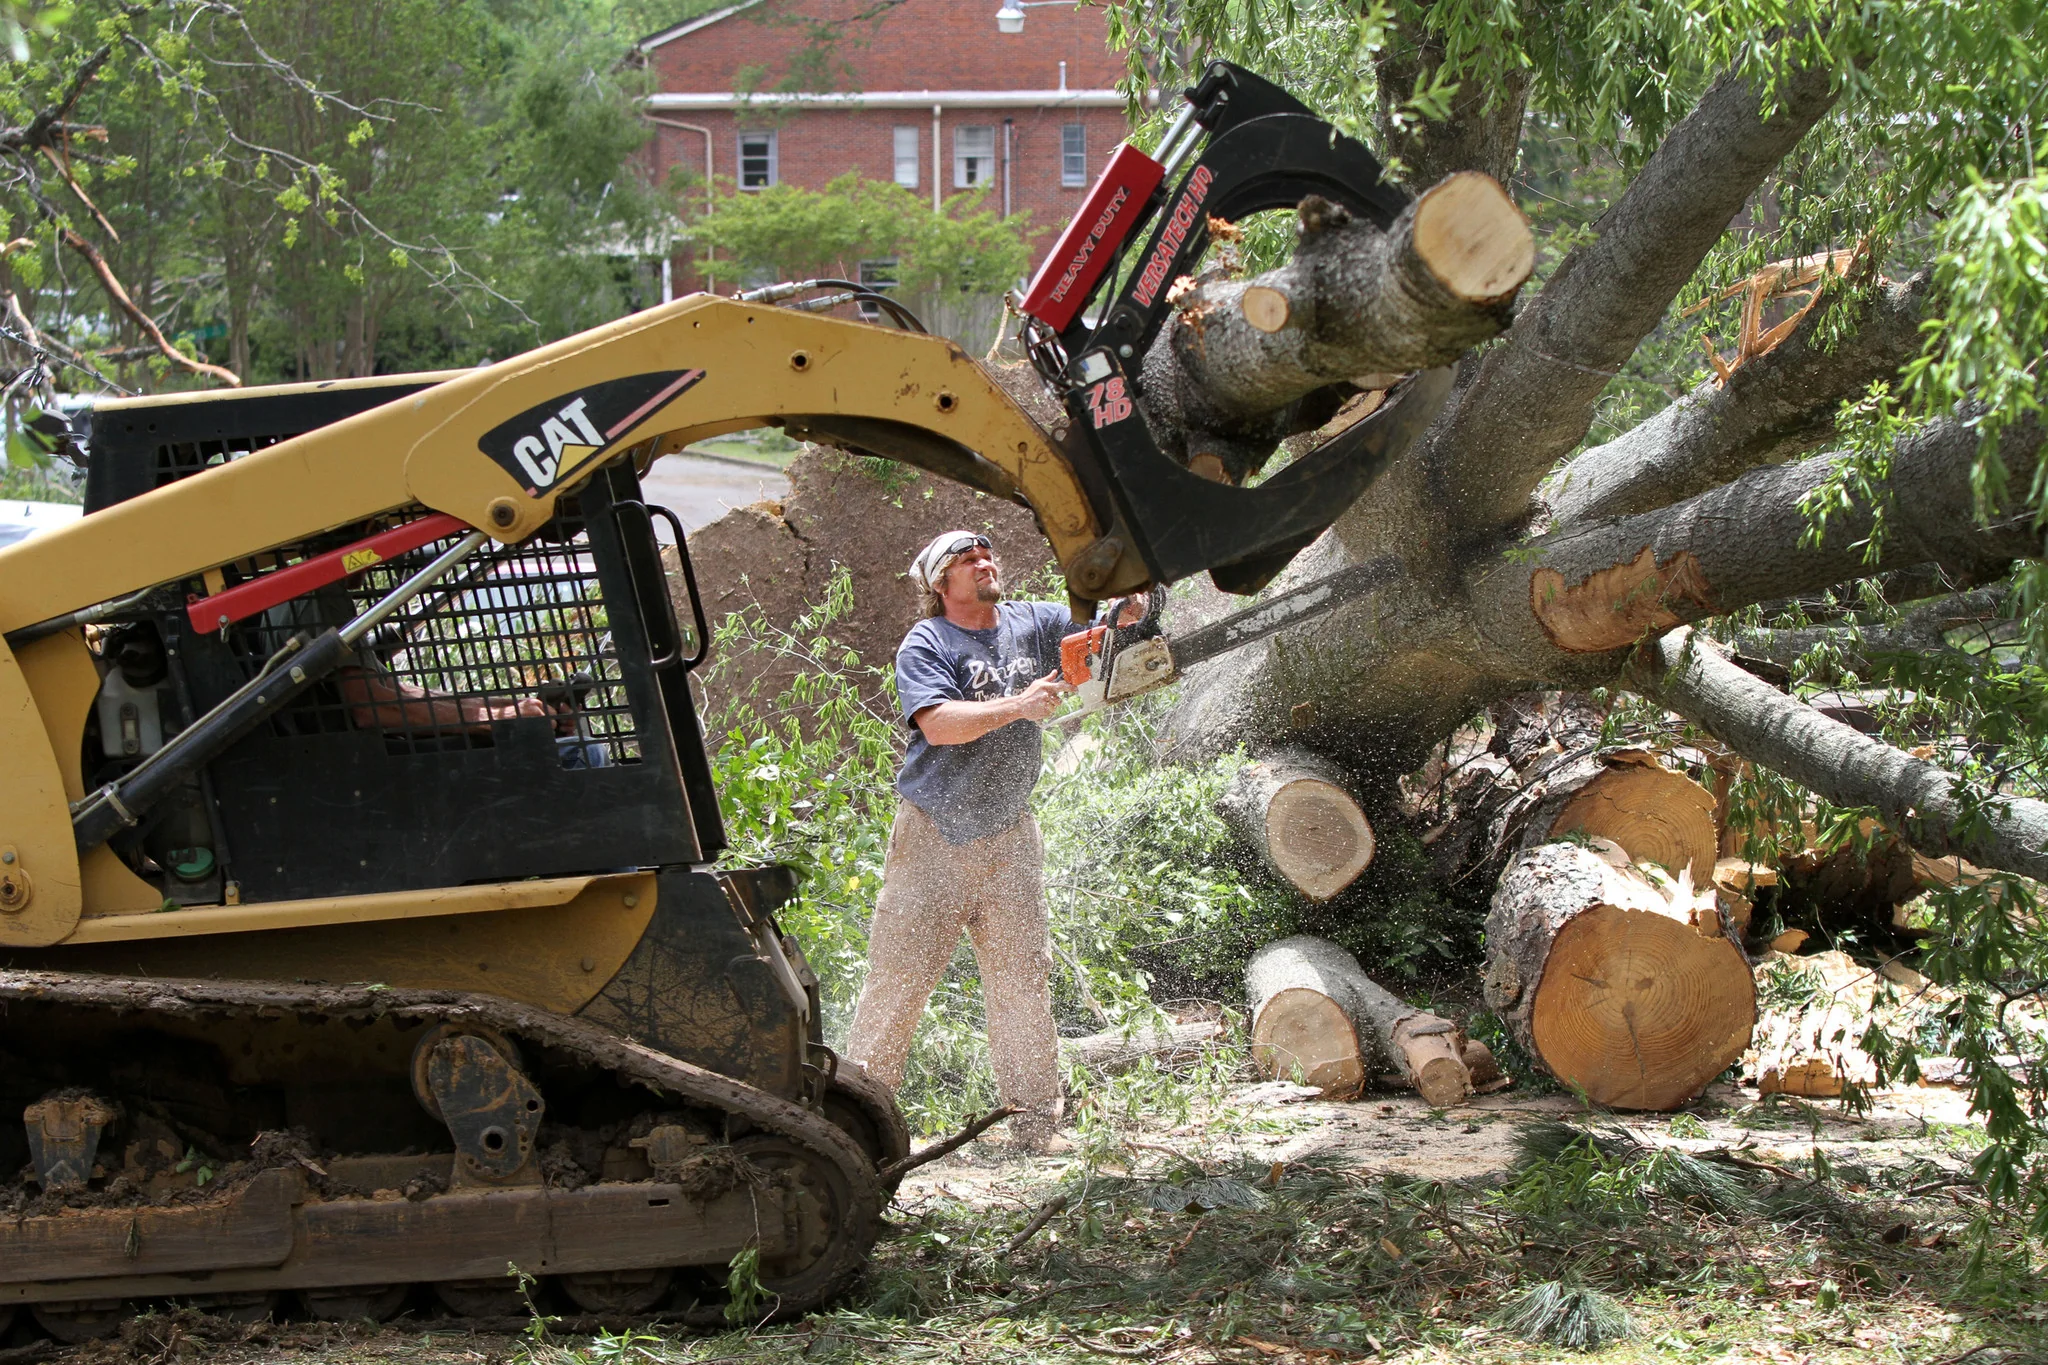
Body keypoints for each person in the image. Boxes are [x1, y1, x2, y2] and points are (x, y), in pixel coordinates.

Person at [845, 529, 1142, 1150]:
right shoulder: (929, 642)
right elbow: (939, 724)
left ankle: (1035, 1123)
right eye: (966, 561)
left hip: (1009, 829)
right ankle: (856, 1125)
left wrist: (1126, 608)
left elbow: (1096, 627)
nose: (984, 564)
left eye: (986, 555)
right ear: (940, 582)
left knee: (1022, 977)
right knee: (898, 982)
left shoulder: (1032, 622)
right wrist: (1017, 705)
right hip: (934, 832)